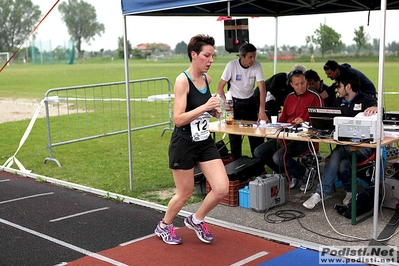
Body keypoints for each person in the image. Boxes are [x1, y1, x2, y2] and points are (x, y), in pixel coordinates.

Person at [154, 34, 229, 245]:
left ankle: (196, 219)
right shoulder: (182, 81)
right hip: (184, 143)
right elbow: (178, 119)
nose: (211, 60)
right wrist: (204, 107)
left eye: (212, 56)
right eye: (207, 55)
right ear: (193, 55)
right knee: (185, 193)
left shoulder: (207, 79)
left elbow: (201, 111)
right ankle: (164, 225)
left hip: (204, 141)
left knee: (222, 188)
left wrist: (212, 112)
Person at [303, 70, 378, 210]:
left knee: (338, 153)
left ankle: (320, 193)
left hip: (364, 148)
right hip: (346, 147)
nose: (335, 90)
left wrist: (375, 108)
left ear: (348, 87)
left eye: (338, 86)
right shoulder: (338, 101)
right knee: (342, 163)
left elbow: (378, 110)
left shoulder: (366, 99)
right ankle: (350, 191)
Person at [254, 68, 324, 190]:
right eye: (297, 84)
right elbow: (283, 120)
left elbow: (322, 123)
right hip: (286, 136)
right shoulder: (289, 98)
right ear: (291, 85)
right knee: (259, 152)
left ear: (306, 81)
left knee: (278, 157)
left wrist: (306, 123)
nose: (300, 86)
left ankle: (303, 173)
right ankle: (290, 173)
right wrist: (273, 126)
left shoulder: (315, 97)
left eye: (302, 83)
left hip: (306, 140)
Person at [217, 42, 268, 160]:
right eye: (250, 57)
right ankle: (236, 164)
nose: (253, 60)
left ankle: (258, 165)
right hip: (234, 103)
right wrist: (226, 102)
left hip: (250, 102)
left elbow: (262, 88)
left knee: (256, 135)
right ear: (242, 57)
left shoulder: (257, 66)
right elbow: (220, 87)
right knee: (234, 138)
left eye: (254, 56)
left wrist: (262, 109)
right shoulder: (231, 65)